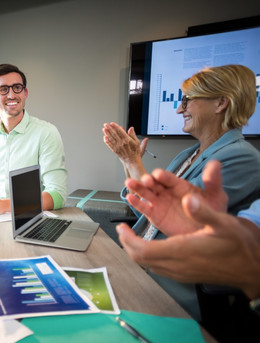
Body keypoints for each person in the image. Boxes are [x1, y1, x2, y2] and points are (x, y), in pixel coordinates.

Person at [102, 64, 260, 319]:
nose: (179, 108)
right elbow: (147, 207)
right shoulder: (189, 154)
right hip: (143, 266)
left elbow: (177, 216)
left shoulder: (242, 158)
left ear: (221, 103)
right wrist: (127, 161)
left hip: (176, 287)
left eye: (187, 100)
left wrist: (133, 162)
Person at [116, 160, 260, 343]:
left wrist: (249, 270)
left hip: (182, 304)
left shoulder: (240, 157)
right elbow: (250, 227)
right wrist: (201, 230)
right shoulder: (188, 154)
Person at [0, 63, 67, 216]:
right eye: (3, 89)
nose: (11, 95)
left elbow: (57, 195)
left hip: (30, 218)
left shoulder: (47, 133)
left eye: (17, 88)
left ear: (25, 93)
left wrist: (3, 206)